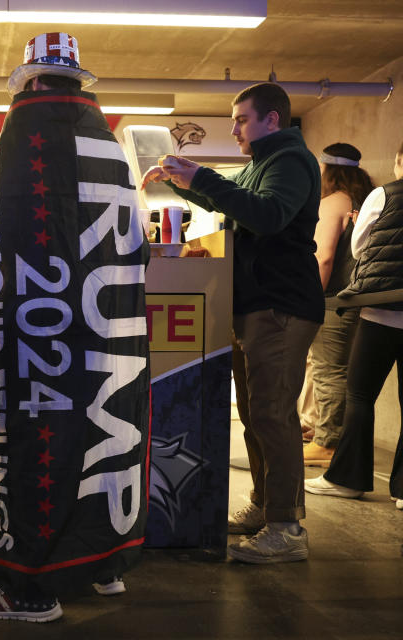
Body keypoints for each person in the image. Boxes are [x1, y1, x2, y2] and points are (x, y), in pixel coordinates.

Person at [0, 33, 150, 623]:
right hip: (108, 329)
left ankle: (32, 586)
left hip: (39, 335)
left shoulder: (24, 135)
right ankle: (102, 563)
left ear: (33, 80)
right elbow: (138, 244)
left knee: (35, 441)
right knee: (106, 433)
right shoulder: (108, 142)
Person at [143, 82, 323, 563]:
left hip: (281, 304)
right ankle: (266, 506)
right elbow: (235, 200)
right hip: (255, 305)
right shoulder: (260, 164)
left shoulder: (289, 161)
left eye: (242, 119)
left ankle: (286, 526)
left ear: (272, 120)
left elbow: (266, 216)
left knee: (273, 413)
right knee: (255, 412)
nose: (235, 127)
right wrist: (189, 183)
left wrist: (200, 176)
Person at [305, 140, 403, 511]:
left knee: (358, 392)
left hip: (377, 310)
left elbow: (358, 249)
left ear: (398, 161)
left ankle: (346, 477)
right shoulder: (363, 194)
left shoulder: (380, 196)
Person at [302, 143, 374, 466]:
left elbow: (324, 256)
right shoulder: (365, 200)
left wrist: (310, 300)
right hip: (361, 300)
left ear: (328, 170)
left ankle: (327, 442)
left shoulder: (334, 201)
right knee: (343, 373)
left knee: (328, 372)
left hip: (333, 299)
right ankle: (330, 437)